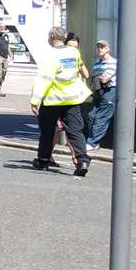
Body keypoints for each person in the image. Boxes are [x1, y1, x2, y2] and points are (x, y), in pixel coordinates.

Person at [30, 26, 92, 176]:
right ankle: (82, 160)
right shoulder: (74, 52)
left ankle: (43, 160)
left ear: (51, 37)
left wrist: (35, 100)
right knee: (75, 131)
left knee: (47, 131)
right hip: (72, 98)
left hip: (53, 99)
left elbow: (45, 78)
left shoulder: (50, 55)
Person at [85, 41, 118, 149]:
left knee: (101, 118)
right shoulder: (96, 63)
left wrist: (102, 77)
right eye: (98, 47)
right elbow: (95, 78)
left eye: (102, 47)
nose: (100, 49)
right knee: (91, 116)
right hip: (98, 92)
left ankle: (92, 142)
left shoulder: (114, 62)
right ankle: (94, 141)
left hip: (109, 91)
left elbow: (105, 78)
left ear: (108, 49)